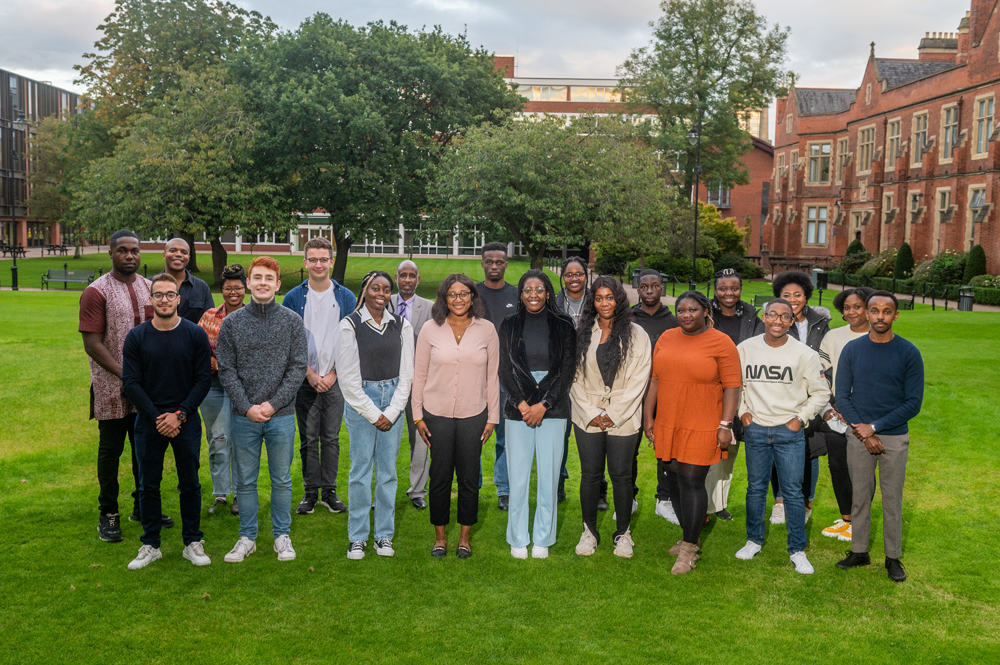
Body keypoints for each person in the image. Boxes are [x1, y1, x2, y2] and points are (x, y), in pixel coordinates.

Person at [79, 229, 173, 542]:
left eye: (134, 250)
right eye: (123, 250)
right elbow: (92, 343)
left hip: (145, 388)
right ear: (111, 253)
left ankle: (142, 505)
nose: (129, 256)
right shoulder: (97, 291)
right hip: (111, 387)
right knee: (111, 450)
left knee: (144, 449)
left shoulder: (150, 288)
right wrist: (125, 375)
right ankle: (108, 513)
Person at [217, 256, 308, 564]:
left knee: (281, 478)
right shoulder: (232, 323)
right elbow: (226, 370)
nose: (263, 283)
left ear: (278, 284)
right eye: (257, 277)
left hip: (280, 416)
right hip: (245, 417)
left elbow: (297, 369)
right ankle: (247, 537)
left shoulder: (292, 321)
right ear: (248, 283)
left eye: (269, 278)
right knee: (245, 480)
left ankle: (282, 536)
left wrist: (271, 405)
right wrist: (246, 407)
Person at [643, 291, 741, 574]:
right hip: (669, 419)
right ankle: (691, 535)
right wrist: (649, 416)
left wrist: (725, 425)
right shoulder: (666, 337)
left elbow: (732, 386)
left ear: (706, 311)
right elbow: (655, 380)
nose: (687, 315)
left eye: (693, 310)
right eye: (682, 310)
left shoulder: (722, 342)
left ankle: (688, 549)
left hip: (704, 420)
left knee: (691, 479)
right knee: (671, 475)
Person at [122, 274, 213, 569]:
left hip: (184, 418)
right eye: (158, 295)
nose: (164, 300)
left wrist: (180, 415)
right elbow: (131, 382)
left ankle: (193, 542)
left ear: (179, 299)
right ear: (151, 300)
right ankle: (150, 544)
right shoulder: (137, 336)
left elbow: (202, 381)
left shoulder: (194, 335)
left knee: (190, 483)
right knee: (148, 484)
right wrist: (157, 418)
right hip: (150, 420)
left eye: (169, 294)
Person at [735, 298, 830, 575]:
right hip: (756, 429)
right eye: (772, 315)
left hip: (789, 432)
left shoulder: (804, 353)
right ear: (764, 317)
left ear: (792, 321)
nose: (778, 320)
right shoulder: (745, 349)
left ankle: (797, 549)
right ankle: (753, 540)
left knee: (792, 492)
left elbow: (821, 392)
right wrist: (743, 412)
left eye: (784, 316)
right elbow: (734, 384)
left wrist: (799, 419)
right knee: (755, 488)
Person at [835, 291, 923, 582]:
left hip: (894, 438)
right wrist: (863, 430)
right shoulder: (853, 350)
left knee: (892, 499)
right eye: (874, 311)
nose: (880, 316)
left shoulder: (909, 352)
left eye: (887, 311)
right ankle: (859, 551)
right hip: (858, 436)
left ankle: (893, 557)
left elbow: (913, 402)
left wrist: (875, 427)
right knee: (860, 497)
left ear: (895, 315)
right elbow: (842, 396)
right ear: (867, 314)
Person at [411, 274, 499, 558]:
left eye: (464, 294)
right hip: (435, 414)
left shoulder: (486, 330)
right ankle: (440, 538)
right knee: (439, 477)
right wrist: (417, 416)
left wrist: (492, 417)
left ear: (473, 297)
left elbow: (493, 377)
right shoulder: (429, 329)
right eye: (452, 294)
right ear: (444, 298)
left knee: (469, 477)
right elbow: (419, 374)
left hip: (474, 414)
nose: (458, 299)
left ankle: (464, 537)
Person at [571, 277, 651, 558]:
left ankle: (623, 534)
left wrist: (613, 414)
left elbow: (640, 379)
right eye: (599, 298)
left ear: (619, 300)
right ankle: (589, 532)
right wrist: (593, 414)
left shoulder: (638, 334)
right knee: (591, 475)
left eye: (610, 297)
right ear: (592, 303)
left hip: (624, 417)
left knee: (621, 476)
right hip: (587, 417)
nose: (604, 303)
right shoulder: (582, 332)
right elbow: (574, 379)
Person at [499, 269, 576, 559]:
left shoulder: (564, 324)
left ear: (548, 293)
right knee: (517, 478)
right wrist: (522, 404)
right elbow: (504, 369)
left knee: (548, 477)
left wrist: (543, 404)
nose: (534, 294)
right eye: (528, 290)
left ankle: (543, 537)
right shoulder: (508, 324)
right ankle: (518, 538)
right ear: (520, 294)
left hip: (553, 409)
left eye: (540, 289)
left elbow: (567, 369)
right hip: (517, 408)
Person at [338, 271, 415, 560]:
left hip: (393, 399)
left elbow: (407, 375)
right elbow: (347, 379)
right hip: (362, 402)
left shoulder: (402, 326)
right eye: (375, 288)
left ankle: (384, 535)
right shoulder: (349, 325)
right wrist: (373, 413)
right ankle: (357, 537)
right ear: (365, 290)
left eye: (386, 289)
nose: (381, 294)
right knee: (360, 471)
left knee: (388, 473)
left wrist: (392, 412)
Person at [282, 238, 356, 515]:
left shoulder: (345, 297)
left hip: (336, 378)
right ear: (305, 262)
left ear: (331, 261)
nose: (318, 264)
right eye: (312, 259)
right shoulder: (293, 298)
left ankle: (330, 491)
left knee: (331, 438)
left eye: (323, 259)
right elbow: (290, 342)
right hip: (305, 379)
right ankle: (310, 492)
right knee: (308, 438)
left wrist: (334, 373)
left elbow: (351, 341)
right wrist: (309, 373)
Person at [767, 270, 831, 526]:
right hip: (783, 394)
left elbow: (827, 358)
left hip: (813, 394)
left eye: (797, 294)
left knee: (810, 450)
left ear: (806, 296)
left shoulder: (820, 323)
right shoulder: (776, 322)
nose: (792, 299)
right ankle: (780, 502)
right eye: (786, 295)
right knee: (777, 448)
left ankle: (806, 502)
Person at [705, 268, 764, 521]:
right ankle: (702, 504)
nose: (729, 293)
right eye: (723, 288)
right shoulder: (704, 313)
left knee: (729, 449)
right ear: (715, 290)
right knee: (707, 450)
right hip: (709, 389)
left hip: (741, 390)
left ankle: (718, 504)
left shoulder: (752, 317)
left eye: (734, 288)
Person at [817, 286, 874, 542]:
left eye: (857, 306)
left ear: (868, 308)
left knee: (860, 468)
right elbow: (821, 372)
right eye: (847, 308)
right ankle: (847, 519)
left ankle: (860, 521)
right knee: (837, 464)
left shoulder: (878, 336)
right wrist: (830, 406)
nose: (851, 312)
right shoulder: (833, 336)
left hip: (865, 413)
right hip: (836, 411)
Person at [197, 264, 247, 516]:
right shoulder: (209, 316)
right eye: (228, 288)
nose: (233, 292)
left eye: (238, 287)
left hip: (244, 389)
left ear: (245, 288)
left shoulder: (253, 316)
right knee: (218, 440)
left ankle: (240, 494)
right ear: (222, 289)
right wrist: (216, 363)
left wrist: (226, 364)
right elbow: (197, 350)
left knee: (240, 442)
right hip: (213, 387)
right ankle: (220, 494)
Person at [631, 269, 680, 525]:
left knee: (665, 448)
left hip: (664, 393)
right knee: (628, 447)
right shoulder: (628, 317)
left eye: (655, 286)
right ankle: (628, 496)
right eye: (644, 287)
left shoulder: (673, 321)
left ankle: (665, 500)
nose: (649, 291)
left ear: (662, 288)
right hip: (632, 393)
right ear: (638, 290)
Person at [475, 242, 520, 511]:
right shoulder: (472, 294)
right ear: (482, 263)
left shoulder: (516, 295)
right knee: (475, 436)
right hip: (475, 377)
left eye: (499, 262)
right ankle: (474, 485)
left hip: (507, 377)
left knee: (504, 436)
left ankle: (504, 489)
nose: (494, 266)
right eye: (489, 261)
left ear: (506, 264)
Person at [391, 259, 434, 510]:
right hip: (388, 383)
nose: (407, 280)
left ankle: (418, 489)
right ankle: (384, 490)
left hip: (419, 384)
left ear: (418, 279)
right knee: (386, 439)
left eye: (412, 275)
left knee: (421, 436)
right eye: (403, 275)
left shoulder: (430, 308)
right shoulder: (382, 301)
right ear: (396, 277)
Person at [554, 256, 590, 505]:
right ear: (562, 277)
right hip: (561, 378)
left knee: (595, 433)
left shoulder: (598, 301)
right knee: (560, 434)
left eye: (579, 274)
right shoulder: (553, 303)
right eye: (569, 274)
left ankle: (598, 487)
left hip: (593, 378)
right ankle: (557, 483)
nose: (574, 278)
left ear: (586, 276)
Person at [160, 237, 213, 324]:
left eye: (184, 252)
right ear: (164, 255)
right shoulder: (149, 284)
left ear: (188, 257)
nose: (178, 254)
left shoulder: (201, 287)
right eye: (173, 250)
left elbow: (209, 322)